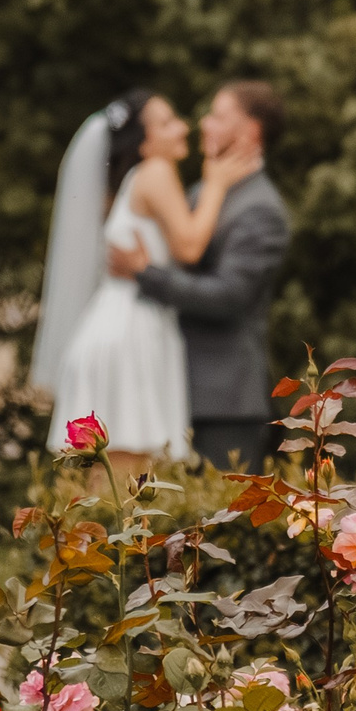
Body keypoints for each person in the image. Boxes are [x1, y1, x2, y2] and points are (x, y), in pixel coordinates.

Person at [31, 91, 260, 465]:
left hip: (128, 324)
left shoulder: (141, 178)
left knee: (122, 476)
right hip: (129, 333)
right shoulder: (155, 172)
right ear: (145, 140)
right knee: (121, 473)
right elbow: (188, 247)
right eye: (168, 122)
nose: (183, 127)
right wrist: (216, 185)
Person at [107, 81, 292, 472]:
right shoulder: (197, 193)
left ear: (251, 132)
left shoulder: (262, 210)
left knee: (218, 525)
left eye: (219, 116)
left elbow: (228, 296)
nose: (204, 124)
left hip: (223, 400)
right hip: (169, 383)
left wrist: (146, 274)